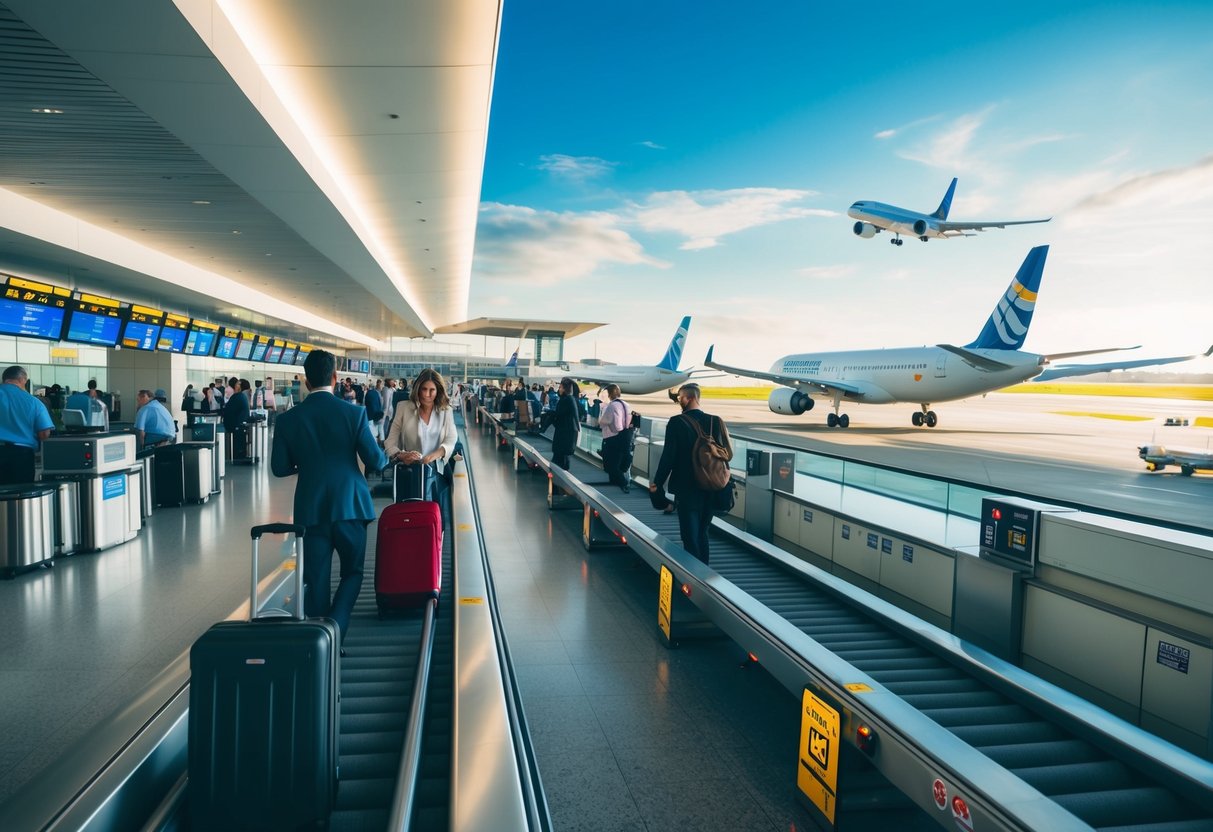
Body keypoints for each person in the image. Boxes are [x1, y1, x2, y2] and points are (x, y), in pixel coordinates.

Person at [271, 349, 387, 645]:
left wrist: (308, 463)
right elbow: (375, 460)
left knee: (315, 578)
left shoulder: (288, 420)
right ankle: (336, 630)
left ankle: (317, 642)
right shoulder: (353, 413)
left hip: (311, 510)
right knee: (352, 573)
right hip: (351, 506)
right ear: (335, 378)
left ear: (306, 381)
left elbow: (280, 467)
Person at [649, 383, 732, 564]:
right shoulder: (715, 421)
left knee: (690, 535)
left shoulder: (677, 422)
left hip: (687, 488)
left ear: (690, 398)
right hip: (711, 486)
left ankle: (693, 578)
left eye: (681, 397)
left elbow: (668, 456)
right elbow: (726, 454)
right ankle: (704, 572)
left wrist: (657, 482)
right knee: (703, 533)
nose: (679, 400)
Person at [384, 368, 457, 500]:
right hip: (409, 473)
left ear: (438, 391)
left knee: (434, 514)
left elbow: (451, 439)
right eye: (424, 389)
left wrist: (434, 455)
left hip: (436, 472)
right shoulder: (403, 408)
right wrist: (402, 455)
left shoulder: (446, 411)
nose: (427, 394)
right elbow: (390, 441)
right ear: (418, 388)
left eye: (432, 390)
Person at [0, 365, 54, 485]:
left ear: (4, 379)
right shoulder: (34, 402)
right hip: (21, 456)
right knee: (20, 495)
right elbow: (44, 434)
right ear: (23, 380)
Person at [598, 384, 633, 492]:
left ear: (609, 394)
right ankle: (615, 481)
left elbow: (604, 421)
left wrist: (602, 409)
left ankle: (623, 483)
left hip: (612, 437)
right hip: (625, 435)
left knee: (610, 464)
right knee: (618, 460)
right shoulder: (626, 404)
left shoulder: (611, 406)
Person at [550, 377, 581, 471]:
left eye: (560, 387)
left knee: (559, 461)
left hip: (564, 436)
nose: (558, 390)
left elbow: (559, 416)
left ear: (564, 389)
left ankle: (558, 482)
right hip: (567, 435)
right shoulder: (571, 400)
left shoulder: (566, 400)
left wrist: (551, 416)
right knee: (563, 460)